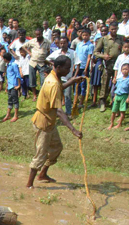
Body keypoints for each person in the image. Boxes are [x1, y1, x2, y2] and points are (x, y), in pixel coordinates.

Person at [26, 56, 85, 188]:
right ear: (58, 68)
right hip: (44, 123)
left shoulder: (54, 78)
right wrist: (73, 130)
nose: (69, 70)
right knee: (41, 154)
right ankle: (29, 185)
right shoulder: (52, 82)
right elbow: (58, 111)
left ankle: (42, 175)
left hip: (50, 122)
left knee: (57, 147)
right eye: (67, 68)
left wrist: (72, 81)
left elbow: (58, 89)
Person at [47, 37, 77, 116]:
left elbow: (78, 64)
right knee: (57, 96)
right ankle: (57, 112)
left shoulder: (72, 53)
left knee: (67, 96)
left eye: (64, 43)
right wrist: (55, 65)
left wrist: (74, 76)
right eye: (61, 43)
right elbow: (47, 59)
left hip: (68, 78)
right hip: (58, 78)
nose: (63, 45)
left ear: (68, 43)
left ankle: (68, 112)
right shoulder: (56, 53)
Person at [108, 63, 129, 129]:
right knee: (114, 111)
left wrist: (128, 97)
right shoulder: (119, 79)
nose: (124, 71)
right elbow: (117, 88)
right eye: (123, 69)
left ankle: (119, 124)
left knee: (122, 111)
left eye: (126, 69)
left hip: (124, 96)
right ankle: (111, 123)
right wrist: (115, 96)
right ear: (121, 70)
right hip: (117, 96)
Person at [74, 29, 94, 103]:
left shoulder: (90, 45)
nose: (85, 37)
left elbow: (89, 57)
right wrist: (74, 65)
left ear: (89, 35)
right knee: (76, 83)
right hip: (78, 67)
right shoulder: (79, 44)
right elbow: (76, 55)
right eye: (83, 35)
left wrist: (86, 68)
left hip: (84, 67)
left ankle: (81, 101)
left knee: (83, 85)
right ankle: (76, 99)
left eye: (86, 35)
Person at [3, 52, 21, 122]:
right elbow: (8, 76)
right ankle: (8, 114)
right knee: (10, 100)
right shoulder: (8, 65)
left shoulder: (14, 65)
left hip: (14, 85)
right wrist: (6, 86)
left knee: (15, 100)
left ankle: (16, 115)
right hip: (9, 86)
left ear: (5, 59)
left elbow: (17, 75)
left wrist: (19, 85)